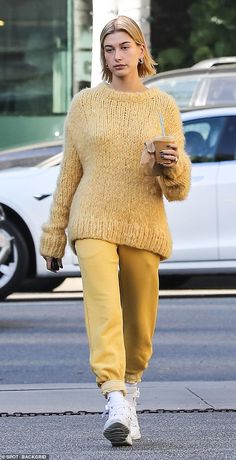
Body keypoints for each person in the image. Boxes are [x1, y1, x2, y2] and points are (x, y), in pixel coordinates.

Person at [40, 15, 191, 447]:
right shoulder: (85, 103)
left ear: (142, 50)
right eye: (109, 49)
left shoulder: (162, 106)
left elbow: (178, 189)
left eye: (125, 46)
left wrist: (171, 165)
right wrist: (55, 233)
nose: (117, 55)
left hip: (143, 221)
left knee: (140, 325)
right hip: (92, 219)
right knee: (103, 308)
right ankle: (114, 396)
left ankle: (131, 388)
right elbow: (69, 172)